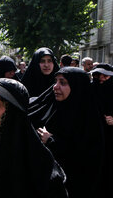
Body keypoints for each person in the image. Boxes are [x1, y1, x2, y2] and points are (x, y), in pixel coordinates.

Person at [29, 67, 105, 198]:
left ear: (77, 87)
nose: (55, 87)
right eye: (56, 81)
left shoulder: (89, 120)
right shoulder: (53, 109)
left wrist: (52, 141)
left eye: (63, 83)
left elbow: (87, 157)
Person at [91, 63, 113, 197]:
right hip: (95, 140)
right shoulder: (92, 89)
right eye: (98, 75)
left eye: (106, 76)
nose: (102, 79)